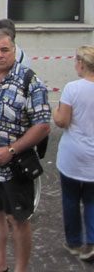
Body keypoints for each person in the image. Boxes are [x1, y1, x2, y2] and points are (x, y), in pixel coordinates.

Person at [0, 29, 51, 272]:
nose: (0, 55)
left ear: (14, 50)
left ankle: (21, 269)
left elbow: (43, 126)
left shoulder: (30, 82)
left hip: (14, 167)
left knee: (18, 219)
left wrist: (12, 150)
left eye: (5, 50)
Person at [53, 45, 94, 262]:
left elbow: (62, 121)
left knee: (70, 198)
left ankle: (74, 242)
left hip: (73, 154)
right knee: (91, 199)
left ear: (80, 63)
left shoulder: (73, 88)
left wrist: (54, 111)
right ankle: (92, 241)